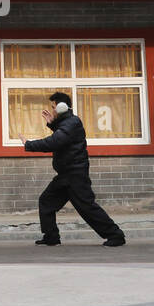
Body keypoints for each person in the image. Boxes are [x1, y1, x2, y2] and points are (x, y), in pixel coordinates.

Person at [18, 92, 126, 247]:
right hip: (65, 175)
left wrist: (28, 144)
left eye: (54, 107)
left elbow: (55, 142)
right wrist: (53, 124)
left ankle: (116, 235)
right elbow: (62, 136)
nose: (52, 110)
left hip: (75, 175)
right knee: (46, 201)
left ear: (62, 107)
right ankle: (51, 237)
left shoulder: (72, 122)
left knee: (87, 207)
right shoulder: (66, 123)